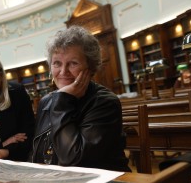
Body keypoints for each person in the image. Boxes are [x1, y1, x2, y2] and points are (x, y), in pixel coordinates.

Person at [29, 26, 130, 172]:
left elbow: (74, 159)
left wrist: (62, 100)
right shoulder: (46, 101)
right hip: (57, 181)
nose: (63, 72)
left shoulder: (105, 102)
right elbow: (36, 153)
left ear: (90, 67)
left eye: (73, 63)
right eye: (57, 63)